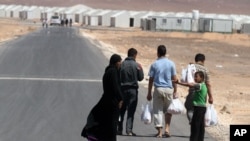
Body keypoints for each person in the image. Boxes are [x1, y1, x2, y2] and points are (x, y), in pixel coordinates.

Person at [81, 54, 123, 141]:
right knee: (112, 125)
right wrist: (120, 99)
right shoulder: (113, 72)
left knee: (105, 123)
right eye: (120, 62)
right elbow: (115, 87)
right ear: (116, 62)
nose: (120, 64)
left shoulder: (107, 72)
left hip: (105, 101)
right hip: (113, 103)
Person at [147, 45, 178, 138]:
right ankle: (167, 129)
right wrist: (175, 90)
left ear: (158, 53)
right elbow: (175, 79)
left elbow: (151, 80)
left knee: (158, 110)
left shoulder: (154, 64)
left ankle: (160, 131)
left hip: (158, 89)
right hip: (169, 89)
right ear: (165, 53)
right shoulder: (171, 63)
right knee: (168, 110)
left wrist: (149, 92)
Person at [117, 48, 144, 136]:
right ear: (134, 55)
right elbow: (140, 78)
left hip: (122, 90)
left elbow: (117, 77)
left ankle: (119, 129)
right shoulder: (137, 65)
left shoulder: (121, 65)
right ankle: (129, 130)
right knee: (131, 111)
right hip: (133, 90)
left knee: (121, 111)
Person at [174, 71, 208, 141]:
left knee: (195, 125)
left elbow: (189, 85)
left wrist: (178, 83)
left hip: (198, 108)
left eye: (196, 77)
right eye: (194, 76)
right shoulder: (204, 86)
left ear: (201, 77)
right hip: (202, 107)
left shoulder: (199, 85)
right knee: (201, 126)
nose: (195, 78)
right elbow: (205, 98)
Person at [184, 53, 213, 124]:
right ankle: (197, 124)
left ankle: (192, 120)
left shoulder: (191, 67)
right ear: (203, 60)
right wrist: (210, 96)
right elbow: (208, 84)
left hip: (192, 91)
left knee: (189, 108)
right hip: (202, 94)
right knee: (200, 110)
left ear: (195, 60)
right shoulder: (205, 70)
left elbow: (185, 78)